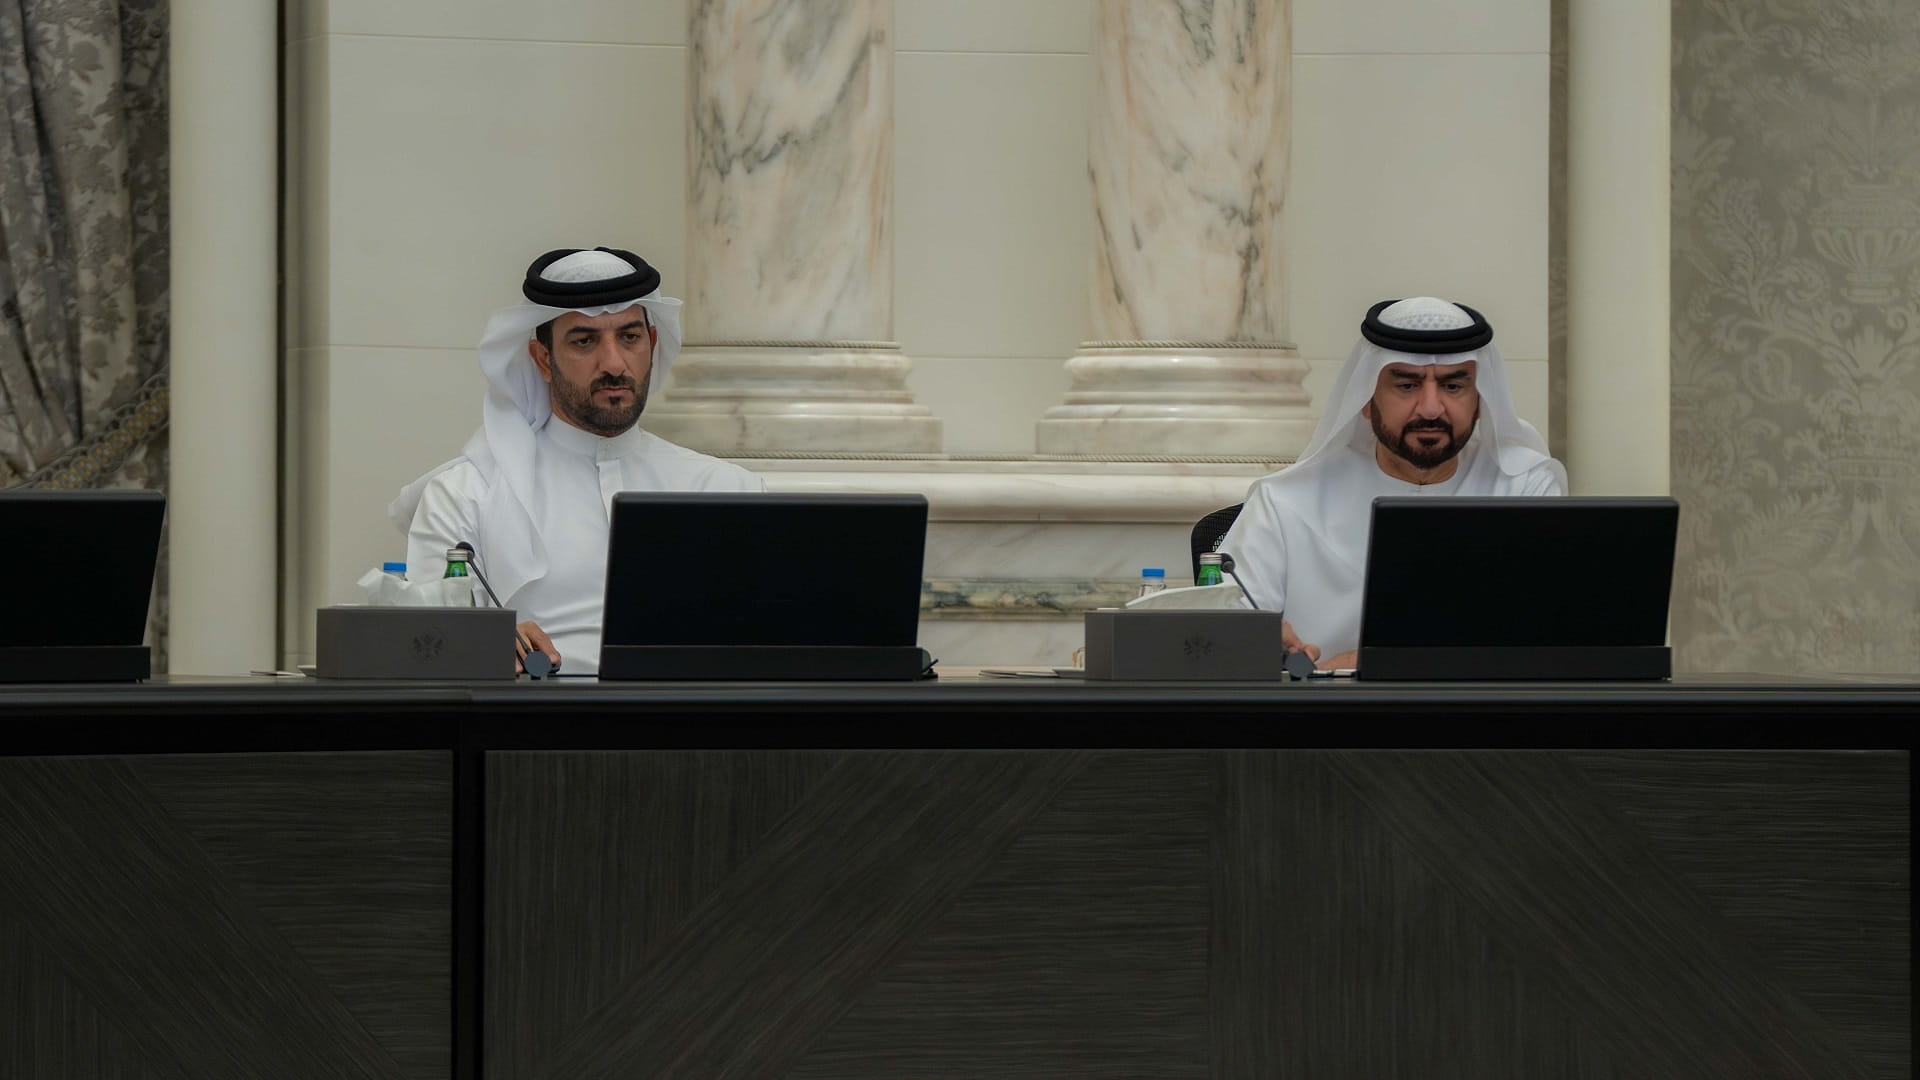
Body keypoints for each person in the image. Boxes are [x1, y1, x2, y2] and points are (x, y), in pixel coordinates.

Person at [389, 247, 763, 674]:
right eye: (585, 341)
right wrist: (484, 641)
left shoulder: (727, 489)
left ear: (653, 345)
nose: (614, 364)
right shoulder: (465, 494)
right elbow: (426, 646)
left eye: (630, 337)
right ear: (543, 359)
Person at [1218, 296, 1566, 670]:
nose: (1431, 409)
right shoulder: (1284, 502)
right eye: (1407, 385)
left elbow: (1549, 636)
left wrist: (1361, 663)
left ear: (1480, 401)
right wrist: (1264, 649)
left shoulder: (1525, 489)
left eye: (1452, 386)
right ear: (1366, 399)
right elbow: (1223, 635)